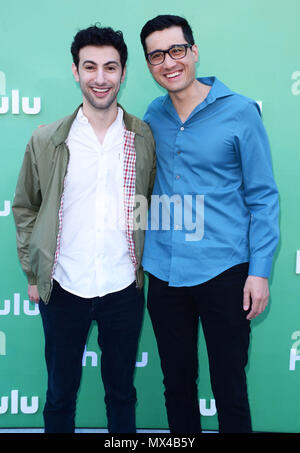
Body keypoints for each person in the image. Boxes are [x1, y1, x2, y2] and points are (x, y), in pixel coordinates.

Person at [12, 24, 156, 433]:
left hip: (123, 287)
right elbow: (25, 208)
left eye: (110, 67)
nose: (100, 77)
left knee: (122, 394)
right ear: (75, 71)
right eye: (89, 66)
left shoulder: (142, 137)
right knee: (60, 394)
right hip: (63, 286)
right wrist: (33, 271)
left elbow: (147, 200)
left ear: (124, 72)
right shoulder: (47, 139)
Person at [140, 14, 279, 433]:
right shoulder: (153, 115)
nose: (169, 62)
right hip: (164, 273)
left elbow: (263, 197)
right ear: (149, 64)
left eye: (177, 50)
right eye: (157, 55)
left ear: (194, 52)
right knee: (177, 385)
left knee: (230, 386)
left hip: (225, 272)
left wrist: (260, 272)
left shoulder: (240, 112)